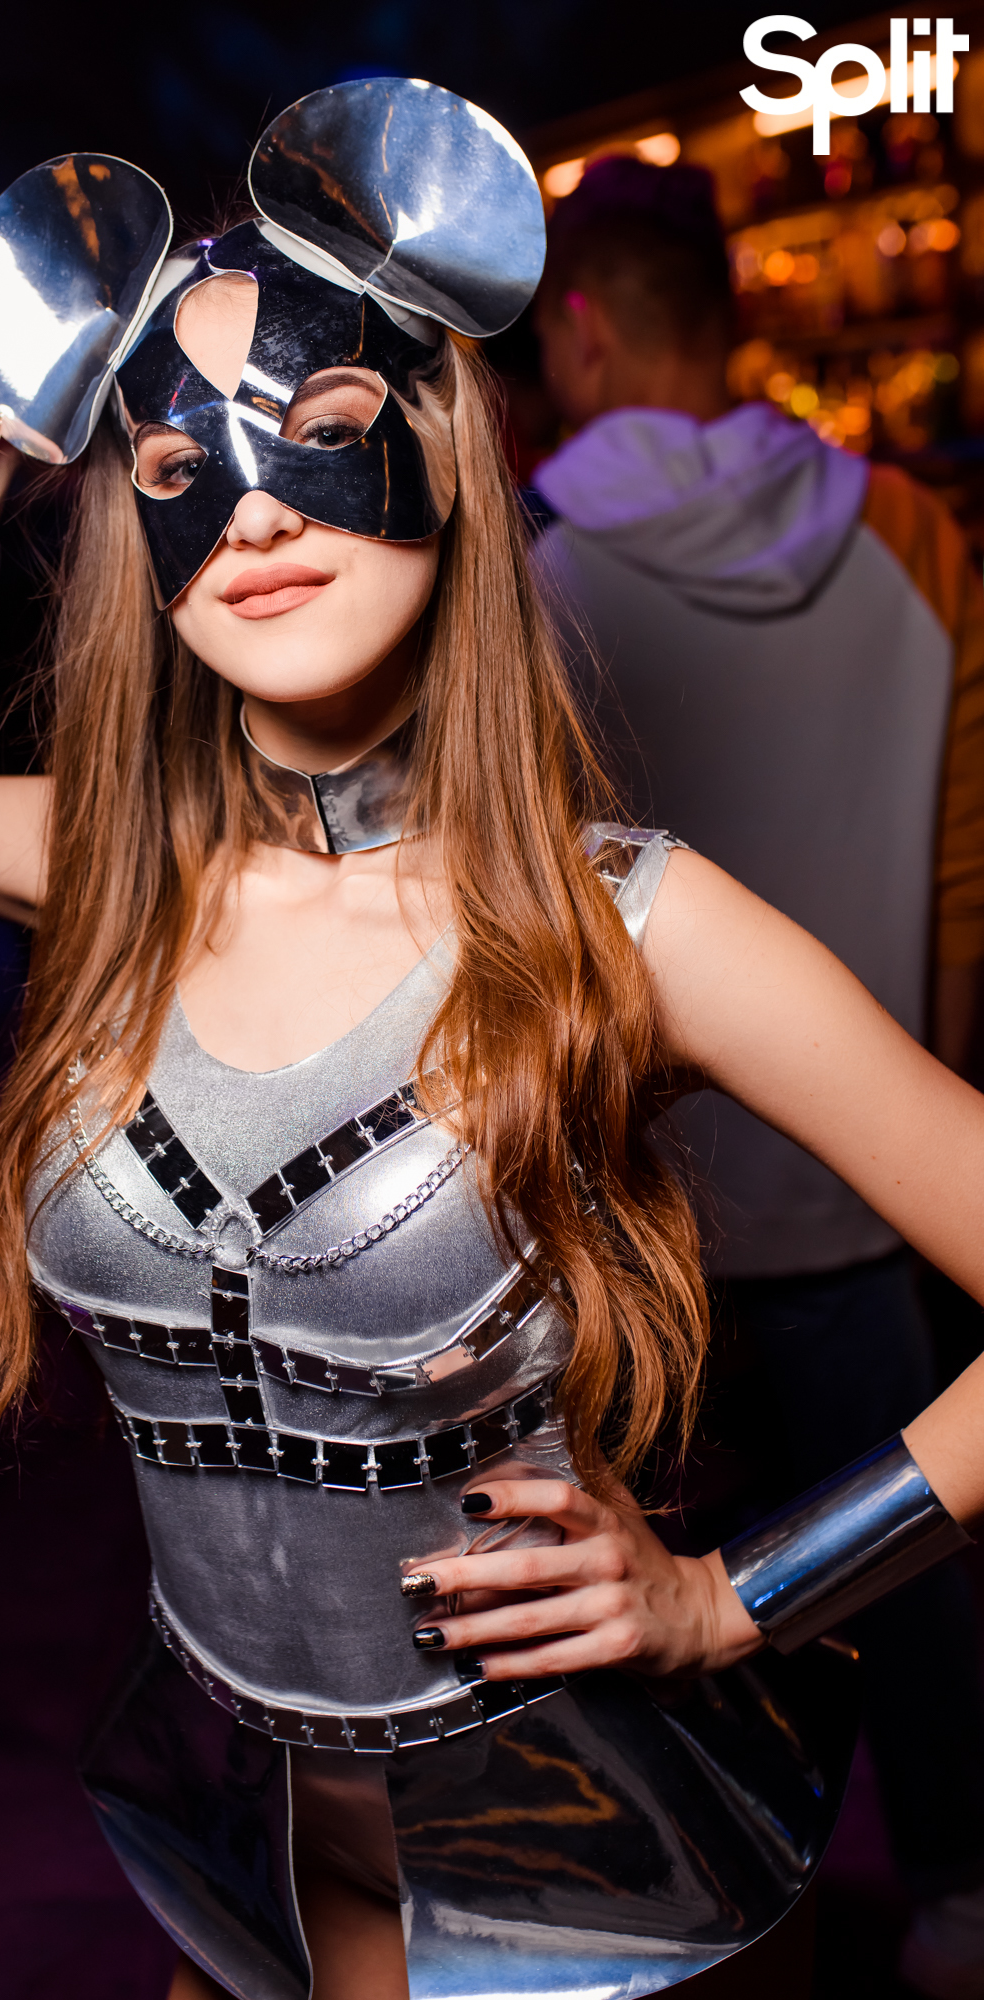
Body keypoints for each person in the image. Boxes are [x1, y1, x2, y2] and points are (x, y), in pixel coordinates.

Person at [0, 84, 984, 2000]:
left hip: (571, 1867)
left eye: (322, 434)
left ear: (446, 455)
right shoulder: (112, 864)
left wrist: (732, 1600)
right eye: (180, 464)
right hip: (252, 1831)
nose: (252, 506)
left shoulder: (621, 920)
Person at [528, 155, 984, 1999]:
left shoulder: (530, 571)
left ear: (579, 329)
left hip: (637, 1229)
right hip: (881, 1194)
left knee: (640, 1631)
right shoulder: (913, 530)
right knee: (918, 1586)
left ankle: (708, 1935)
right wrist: (922, 1119)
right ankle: (959, 1903)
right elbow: (965, 865)